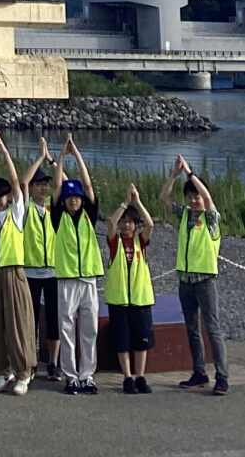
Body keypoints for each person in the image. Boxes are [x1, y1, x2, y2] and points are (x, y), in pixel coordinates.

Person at [160, 154, 228, 396]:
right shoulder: (185, 215)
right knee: (192, 328)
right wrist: (173, 175)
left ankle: (222, 377)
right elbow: (164, 198)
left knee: (212, 328)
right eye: (189, 196)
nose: (193, 200)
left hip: (205, 280)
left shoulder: (211, 219)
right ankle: (199, 372)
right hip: (185, 280)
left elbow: (208, 199)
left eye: (196, 196)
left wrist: (190, 173)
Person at [0, 131, 35, 396]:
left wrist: (4, 152)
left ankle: (24, 372)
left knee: (17, 323)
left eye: (0, 197)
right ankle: (3, 370)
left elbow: (16, 182)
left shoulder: (16, 211)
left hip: (14, 272)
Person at [52, 134, 104, 395]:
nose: (74, 200)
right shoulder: (58, 216)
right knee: (66, 330)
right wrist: (61, 157)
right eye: (70, 197)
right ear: (64, 200)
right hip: (67, 279)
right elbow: (56, 186)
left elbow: (88, 184)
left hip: (88, 279)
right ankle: (70, 376)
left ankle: (87, 376)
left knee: (89, 330)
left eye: (77, 197)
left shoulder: (88, 215)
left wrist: (78, 155)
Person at [104, 184, 155, 394]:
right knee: (122, 341)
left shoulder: (140, 242)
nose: (126, 225)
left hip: (140, 299)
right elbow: (110, 223)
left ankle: (140, 376)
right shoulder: (114, 242)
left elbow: (150, 224)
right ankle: (127, 377)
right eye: (124, 221)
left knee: (141, 340)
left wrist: (138, 201)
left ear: (135, 225)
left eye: (130, 222)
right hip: (119, 300)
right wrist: (125, 202)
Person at [20, 137, 60, 382]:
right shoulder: (25, 208)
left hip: (53, 272)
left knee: (54, 319)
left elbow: (65, 186)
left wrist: (53, 161)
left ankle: (53, 362)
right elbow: (22, 183)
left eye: (45, 184)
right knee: (31, 320)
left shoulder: (54, 209)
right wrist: (39, 158)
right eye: (39, 185)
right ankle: (32, 361)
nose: (43, 189)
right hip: (31, 272)